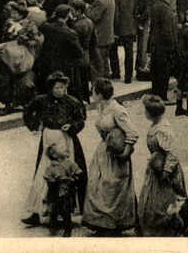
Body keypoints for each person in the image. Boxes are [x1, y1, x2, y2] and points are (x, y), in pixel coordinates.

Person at [22, 72, 87, 228]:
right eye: (57, 87)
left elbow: (81, 119)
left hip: (67, 141)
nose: (61, 90)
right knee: (42, 174)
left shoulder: (72, 102)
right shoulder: (42, 100)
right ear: (51, 88)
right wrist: (33, 125)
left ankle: (65, 212)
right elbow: (27, 111)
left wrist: (72, 127)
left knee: (66, 175)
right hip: (47, 141)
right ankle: (37, 212)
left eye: (63, 87)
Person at [83, 78, 138, 236]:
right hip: (103, 153)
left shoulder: (117, 110)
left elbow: (132, 133)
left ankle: (113, 224)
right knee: (98, 186)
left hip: (116, 155)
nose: (92, 94)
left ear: (99, 94)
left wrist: (125, 152)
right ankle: (101, 223)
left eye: (93, 91)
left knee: (113, 189)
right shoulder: (101, 107)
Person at [137, 95, 188, 236]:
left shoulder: (163, 130)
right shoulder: (155, 125)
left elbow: (172, 154)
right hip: (156, 169)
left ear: (151, 113)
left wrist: (166, 172)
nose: (143, 113)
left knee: (173, 198)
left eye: (145, 110)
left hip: (166, 171)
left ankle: (177, 227)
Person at [43, 143, 83, 237]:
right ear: (55, 155)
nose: (66, 150)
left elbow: (79, 173)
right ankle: (53, 225)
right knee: (53, 209)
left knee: (66, 210)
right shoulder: (51, 167)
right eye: (62, 149)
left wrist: (74, 179)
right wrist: (53, 180)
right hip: (54, 192)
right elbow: (48, 179)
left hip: (66, 191)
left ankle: (67, 229)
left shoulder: (69, 163)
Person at [149, 0, 178, 103]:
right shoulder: (167, 10)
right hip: (164, 47)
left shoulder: (156, 6)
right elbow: (168, 31)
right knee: (163, 73)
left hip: (155, 45)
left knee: (156, 72)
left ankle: (156, 95)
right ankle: (162, 97)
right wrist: (173, 46)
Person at [109, 0, 136, 84]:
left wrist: (114, 29)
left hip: (119, 28)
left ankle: (116, 73)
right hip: (130, 27)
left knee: (113, 50)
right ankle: (128, 77)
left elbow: (116, 15)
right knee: (129, 53)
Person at [86, 0, 115, 79]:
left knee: (98, 64)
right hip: (107, 35)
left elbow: (94, 17)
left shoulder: (100, 1)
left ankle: (100, 84)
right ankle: (106, 81)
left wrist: (87, 8)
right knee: (104, 62)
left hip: (100, 36)